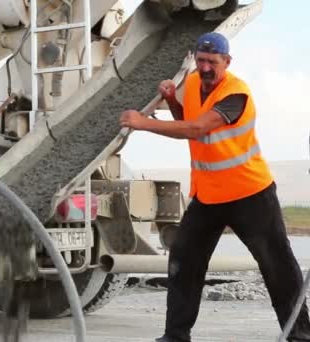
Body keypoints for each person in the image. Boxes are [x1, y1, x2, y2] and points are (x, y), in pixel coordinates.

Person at [119, 32, 310, 342]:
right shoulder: (193, 81)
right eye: (202, 59)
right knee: (184, 259)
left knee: (277, 264)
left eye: (213, 62)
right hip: (208, 195)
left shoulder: (237, 94)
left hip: (251, 194)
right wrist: (171, 100)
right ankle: (175, 335)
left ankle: (300, 333)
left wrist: (144, 123)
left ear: (227, 62)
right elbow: (189, 117)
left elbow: (197, 129)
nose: (206, 67)